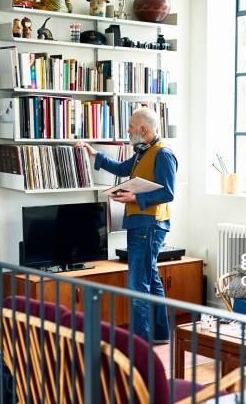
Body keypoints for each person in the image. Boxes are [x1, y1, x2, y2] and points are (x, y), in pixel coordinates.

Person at [76, 107, 177, 343]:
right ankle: (161, 334)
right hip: (139, 224)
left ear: (143, 129)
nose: (128, 131)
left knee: (137, 284)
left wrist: (134, 198)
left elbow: (168, 192)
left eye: (131, 127)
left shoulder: (163, 154)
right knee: (150, 280)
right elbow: (122, 169)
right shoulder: (143, 152)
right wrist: (94, 155)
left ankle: (140, 341)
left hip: (149, 226)